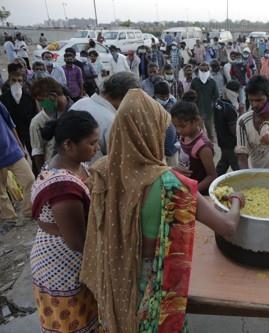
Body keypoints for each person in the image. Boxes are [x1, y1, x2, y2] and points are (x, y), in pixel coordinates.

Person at [79, 89, 243, 333]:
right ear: (152, 132)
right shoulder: (172, 186)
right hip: (151, 284)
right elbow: (228, 228)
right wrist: (237, 201)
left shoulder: (101, 172)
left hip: (115, 277)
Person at [30, 111, 99, 333]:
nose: (96, 148)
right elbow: (77, 241)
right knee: (72, 323)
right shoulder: (63, 187)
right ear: (69, 144)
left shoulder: (71, 164)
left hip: (66, 260)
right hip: (62, 267)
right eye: (92, 143)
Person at [69, 72, 140, 162]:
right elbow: (117, 160)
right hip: (92, 173)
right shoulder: (112, 121)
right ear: (125, 98)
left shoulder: (81, 102)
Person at [235, 75, 269, 170]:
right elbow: (242, 156)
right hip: (254, 174)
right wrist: (247, 177)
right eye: (251, 100)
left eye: (259, 100)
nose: (254, 105)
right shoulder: (243, 122)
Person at [0, 100, 35, 226]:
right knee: (1, 190)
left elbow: (11, 124)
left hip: (12, 150)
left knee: (29, 179)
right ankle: (9, 217)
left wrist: (20, 146)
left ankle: (28, 211)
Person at [171, 101, 216, 195]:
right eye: (175, 126)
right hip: (186, 186)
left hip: (199, 193)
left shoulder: (203, 147)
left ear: (196, 121)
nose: (178, 130)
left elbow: (212, 176)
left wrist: (192, 191)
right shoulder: (184, 136)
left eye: (182, 126)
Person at [30, 77, 72, 173]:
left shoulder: (77, 110)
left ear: (53, 96)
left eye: (41, 100)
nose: (40, 105)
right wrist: (44, 175)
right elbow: (38, 153)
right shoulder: (38, 121)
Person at [0, 63, 38, 154]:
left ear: (23, 82)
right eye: (14, 80)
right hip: (12, 135)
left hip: (28, 133)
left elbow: (35, 114)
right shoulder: (3, 99)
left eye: (19, 80)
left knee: (34, 155)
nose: (17, 83)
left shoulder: (29, 97)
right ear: (9, 81)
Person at [214, 80, 242, 176]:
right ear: (234, 92)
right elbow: (234, 129)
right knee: (238, 168)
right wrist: (241, 113)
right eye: (238, 92)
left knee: (223, 163)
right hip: (230, 143)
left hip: (221, 139)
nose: (238, 95)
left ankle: (212, 181)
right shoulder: (229, 108)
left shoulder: (218, 102)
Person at [189, 62, 219, 142]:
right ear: (198, 71)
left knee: (210, 130)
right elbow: (191, 95)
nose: (203, 72)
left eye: (205, 70)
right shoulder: (195, 81)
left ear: (209, 71)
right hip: (197, 109)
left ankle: (211, 146)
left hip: (209, 110)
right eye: (202, 70)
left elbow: (216, 96)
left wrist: (214, 105)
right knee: (199, 130)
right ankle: (201, 145)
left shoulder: (212, 82)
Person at [154, 80, 178, 166]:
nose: (165, 99)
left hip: (173, 146)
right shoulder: (151, 105)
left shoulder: (173, 102)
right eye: (162, 97)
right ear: (156, 95)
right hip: (157, 148)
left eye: (166, 96)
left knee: (174, 173)